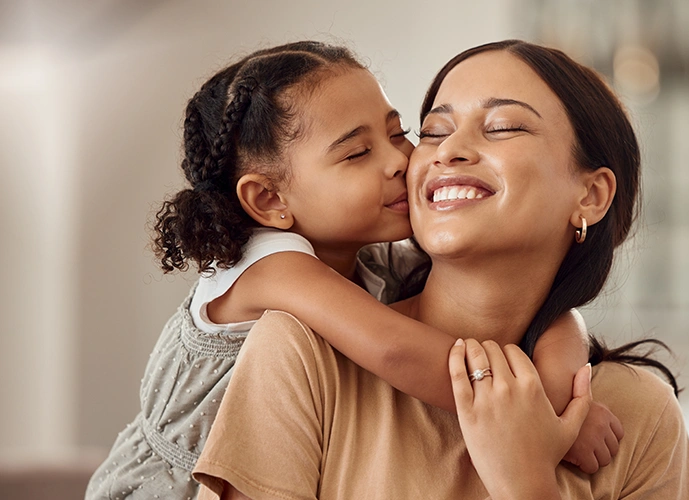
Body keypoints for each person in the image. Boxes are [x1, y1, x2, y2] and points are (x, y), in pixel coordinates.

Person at [86, 41, 622, 500]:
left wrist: (563, 386)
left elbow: (545, 302)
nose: (397, 161)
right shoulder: (272, 270)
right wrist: (535, 419)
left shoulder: (372, 259)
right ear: (270, 199)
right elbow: (395, 349)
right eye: (357, 153)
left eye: (398, 133)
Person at [193, 40, 689, 499]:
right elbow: (393, 347)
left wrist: (526, 484)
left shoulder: (639, 416)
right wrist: (542, 411)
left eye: (503, 127)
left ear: (590, 196)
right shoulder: (300, 353)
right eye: (435, 131)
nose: (448, 151)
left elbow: (560, 317)